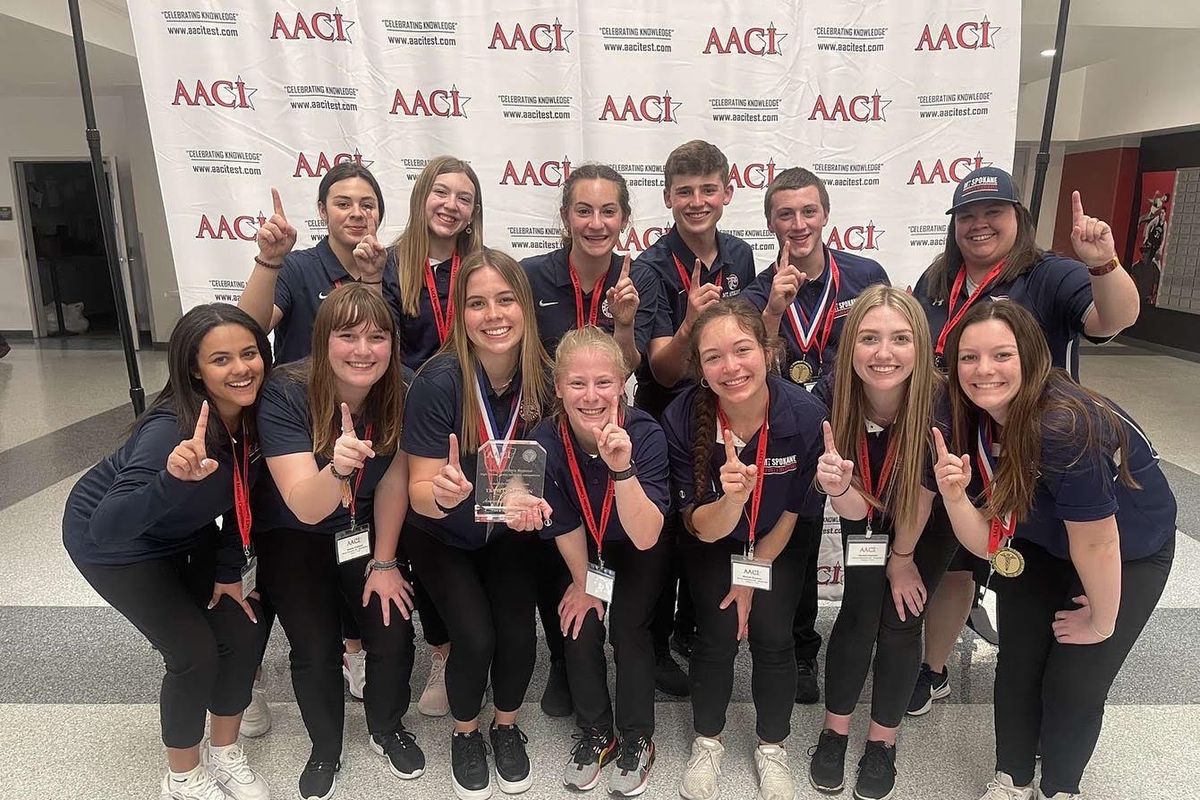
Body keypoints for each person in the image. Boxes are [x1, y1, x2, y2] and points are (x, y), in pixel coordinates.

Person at [909, 167, 1141, 717]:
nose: (979, 224)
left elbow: (1116, 318)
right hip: (954, 448)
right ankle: (932, 668)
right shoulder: (937, 280)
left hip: (1028, 457)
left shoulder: (1050, 274)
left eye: (994, 212)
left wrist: (1104, 263)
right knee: (951, 564)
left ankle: (1009, 682)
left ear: (1019, 217)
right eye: (966, 215)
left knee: (1019, 567)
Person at [932, 299, 1175, 800]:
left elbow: (1097, 538)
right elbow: (986, 540)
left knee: (1075, 683)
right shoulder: (969, 416)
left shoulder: (1063, 424)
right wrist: (955, 497)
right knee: (1020, 663)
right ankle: (1012, 778)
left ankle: (1061, 788)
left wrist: (1103, 620)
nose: (984, 371)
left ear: (1031, 356)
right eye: (969, 358)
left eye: (1001, 355)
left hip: (1127, 550)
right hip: (1040, 543)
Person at [63, 304, 272, 800]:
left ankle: (225, 752)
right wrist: (170, 482)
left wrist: (227, 570)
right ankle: (183, 776)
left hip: (184, 530)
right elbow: (108, 525)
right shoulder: (169, 431)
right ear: (194, 369)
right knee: (193, 652)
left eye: (249, 353)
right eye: (221, 359)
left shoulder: (257, 416)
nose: (241, 368)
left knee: (244, 624)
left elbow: (249, 498)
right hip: (117, 544)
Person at [238, 161, 395, 711]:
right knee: (282, 563)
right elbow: (249, 329)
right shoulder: (302, 267)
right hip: (298, 432)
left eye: (367, 204)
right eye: (343, 202)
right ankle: (245, 678)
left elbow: (388, 349)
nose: (357, 213)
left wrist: (375, 282)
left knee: (355, 542)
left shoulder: (389, 266)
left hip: (363, 436)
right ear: (323, 210)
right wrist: (268, 259)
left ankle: (354, 648)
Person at [255, 284, 421, 800]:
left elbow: (394, 480)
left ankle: (386, 726)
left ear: (392, 344)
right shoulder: (285, 391)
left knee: (392, 628)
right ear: (322, 339)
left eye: (376, 336)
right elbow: (304, 503)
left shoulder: (404, 388)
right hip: (293, 533)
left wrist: (386, 561)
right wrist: (338, 468)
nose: (362, 350)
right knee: (313, 645)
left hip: (363, 528)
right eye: (347, 335)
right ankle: (325, 746)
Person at [403, 247, 553, 800]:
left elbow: (550, 464)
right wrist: (441, 494)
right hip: (443, 534)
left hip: (507, 530)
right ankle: (466, 734)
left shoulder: (546, 376)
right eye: (477, 302)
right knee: (475, 636)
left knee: (517, 634)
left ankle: (506, 726)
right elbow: (418, 490)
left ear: (526, 306)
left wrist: (536, 503)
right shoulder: (438, 381)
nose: (493, 314)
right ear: (459, 314)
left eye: (506, 299)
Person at [661, 299, 825, 800]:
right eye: (713, 357)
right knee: (717, 633)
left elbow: (796, 510)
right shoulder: (683, 417)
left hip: (778, 539)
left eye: (742, 350)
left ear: (768, 351)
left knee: (775, 636)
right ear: (700, 368)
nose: (731, 368)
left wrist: (755, 569)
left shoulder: (803, 414)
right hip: (714, 536)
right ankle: (707, 742)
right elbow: (699, 527)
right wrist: (732, 500)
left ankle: (771, 747)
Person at [740, 165, 891, 705]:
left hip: (856, 427)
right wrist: (775, 310)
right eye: (785, 214)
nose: (798, 223)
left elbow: (888, 346)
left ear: (826, 215)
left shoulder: (864, 274)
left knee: (867, 533)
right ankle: (803, 650)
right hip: (788, 434)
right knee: (798, 540)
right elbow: (754, 363)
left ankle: (866, 643)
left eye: (808, 211)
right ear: (770, 223)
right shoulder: (759, 288)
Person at [804, 285, 958, 800]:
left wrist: (904, 557)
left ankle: (883, 742)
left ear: (922, 345)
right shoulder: (832, 393)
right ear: (850, 347)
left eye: (899, 339)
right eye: (869, 338)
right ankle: (834, 732)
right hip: (864, 510)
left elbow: (922, 494)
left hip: (926, 520)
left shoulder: (941, 400)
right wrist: (838, 488)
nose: (884, 354)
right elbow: (853, 510)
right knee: (858, 609)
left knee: (901, 618)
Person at [522, 163, 663, 715]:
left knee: (631, 548)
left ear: (625, 219)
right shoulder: (532, 275)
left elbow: (628, 366)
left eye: (608, 211)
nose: (596, 221)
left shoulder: (640, 276)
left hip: (615, 428)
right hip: (551, 425)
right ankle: (563, 662)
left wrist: (624, 324)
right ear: (565, 217)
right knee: (551, 542)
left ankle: (640, 656)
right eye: (584, 209)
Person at [635, 140, 758, 697]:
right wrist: (689, 324)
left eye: (708, 189)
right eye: (684, 191)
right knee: (668, 536)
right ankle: (657, 646)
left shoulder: (740, 254)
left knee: (712, 529)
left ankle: (689, 630)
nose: (697, 200)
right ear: (667, 197)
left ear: (728, 193)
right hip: (670, 420)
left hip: (726, 413)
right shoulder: (651, 267)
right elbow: (660, 372)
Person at [531, 327, 670, 796]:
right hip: (583, 547)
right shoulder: (545, 440)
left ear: (622, 383)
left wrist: (621, 468)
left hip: (636, 544)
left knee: (630, 630)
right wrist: (583, 582)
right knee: (578, 621)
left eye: (603, 383)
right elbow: (565, 522)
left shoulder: (646, 433)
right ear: (558, 387)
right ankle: (597, 732)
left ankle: (637, 738)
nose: (591, 396)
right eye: (577, 383)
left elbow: (647, 533)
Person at [389, 155, 485, 718]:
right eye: (441, 193)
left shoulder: (481, 269)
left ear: (474, 213)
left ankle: (477, 637)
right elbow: (373, 345)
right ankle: (443, 652)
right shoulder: (387, 266)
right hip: (410, 418)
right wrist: (426, 389)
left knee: (469, 524)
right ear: (423, 196)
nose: (451, 205)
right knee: (416, 534)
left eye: (464, 198)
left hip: (478, 420)